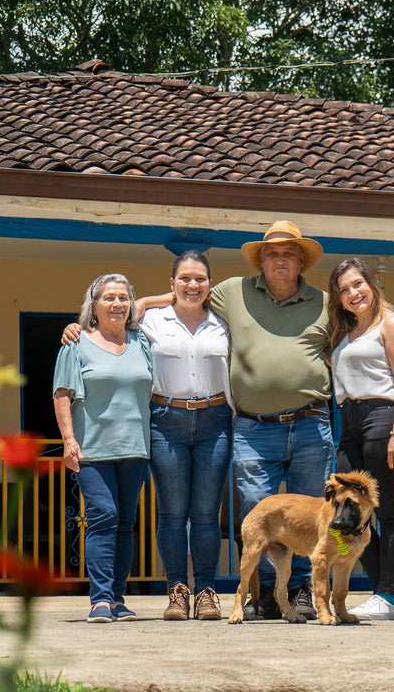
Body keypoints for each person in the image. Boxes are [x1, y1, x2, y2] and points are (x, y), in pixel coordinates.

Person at [123, 221, 333, 620]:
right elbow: (182, 297)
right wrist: (121, 310)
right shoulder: (232, 292)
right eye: (272, 253)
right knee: (249, 513)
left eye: (289, 253)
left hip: (300, 423)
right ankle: (261, 592)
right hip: (244, 426)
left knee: (308, 513)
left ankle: (301, 590)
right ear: (261, 260)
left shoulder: (322, 302)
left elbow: (352, 338)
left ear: (302, 260)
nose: (280, 259)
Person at [53, 273, 153, 623]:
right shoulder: (75, 344)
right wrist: (68, 441)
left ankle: (117, 598)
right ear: (93, 305)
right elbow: (62, 394)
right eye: (108, 298)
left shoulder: (141, 342)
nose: (117, 304)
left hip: (136, 448)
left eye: (124, 298)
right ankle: (99, 599)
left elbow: (169, 300)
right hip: (92, 449)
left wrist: (165, 296)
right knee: (104, 517)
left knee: (126, 522)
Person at [140, 251, 232, 621]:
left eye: (200, 279)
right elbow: (112, 312)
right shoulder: (151, 319)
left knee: (208, 514)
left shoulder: (223, 322)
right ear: (172, 283)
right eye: (185, 279)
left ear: (210, 284)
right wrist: (152, 300)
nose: (193, 285)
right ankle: (177, 591)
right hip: (166, 419)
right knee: (173, 514)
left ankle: (207, 592)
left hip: (215, 418)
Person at [327, 257, 394, 621]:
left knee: (388, 512)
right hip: (348, 422)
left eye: (357, 284)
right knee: (345, 514)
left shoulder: (390, 324)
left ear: (371, 284)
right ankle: (383, 592)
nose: (353, 293)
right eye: (344, 290)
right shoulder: (344, 334)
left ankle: (390, 596)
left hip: (383, 417)